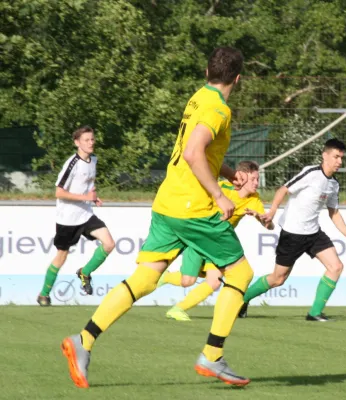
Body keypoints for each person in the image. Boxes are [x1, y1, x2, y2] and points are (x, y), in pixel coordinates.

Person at [61, 47, 255, 388]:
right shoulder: (218, 109)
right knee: (241, 272)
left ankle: (84, 340)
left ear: (207, 71)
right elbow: (194, 152)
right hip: (193, 208)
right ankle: (211, 356)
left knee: (145, 279)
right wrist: (220, 194)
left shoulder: (198, 98)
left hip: (167, 202)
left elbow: (192, 152)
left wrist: (226, 172)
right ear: (238, 79)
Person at [239, 138, 346, 321]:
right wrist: (271, 212)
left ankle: (314, 313)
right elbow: (283, 189)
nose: (339, 162)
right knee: (278, 279)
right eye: (336, 157)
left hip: (313, 233)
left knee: (336, 266)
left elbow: (334, 213)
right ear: (325, 155)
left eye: (341, 158)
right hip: (292, 233)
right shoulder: (311, 173)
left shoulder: (333, 184)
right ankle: (242, 299)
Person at [159, 160, 274, 322]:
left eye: (257, 179)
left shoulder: (254, 199)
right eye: (253, 179)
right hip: (200, 237)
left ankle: (177, 309)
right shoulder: (222, 187)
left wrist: (263, 219)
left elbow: (269, 225)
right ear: (242, 176)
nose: (257, 183)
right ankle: (165, 278)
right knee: (188, 280)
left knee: (213, 282)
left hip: (218, 244)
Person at [37, 126, 115, 306]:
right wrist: (85, 197)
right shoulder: (71, 164)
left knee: (109, 243)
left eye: (92, 139)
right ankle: (44, 294)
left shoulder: (93, 160)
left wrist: (93, 197)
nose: (90, 143)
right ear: (77, 143)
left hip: (86, 214)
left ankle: (85, 273)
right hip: (68, 219)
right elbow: (58, 192)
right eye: (86, 140)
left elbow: (88, 184)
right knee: (62, 255)